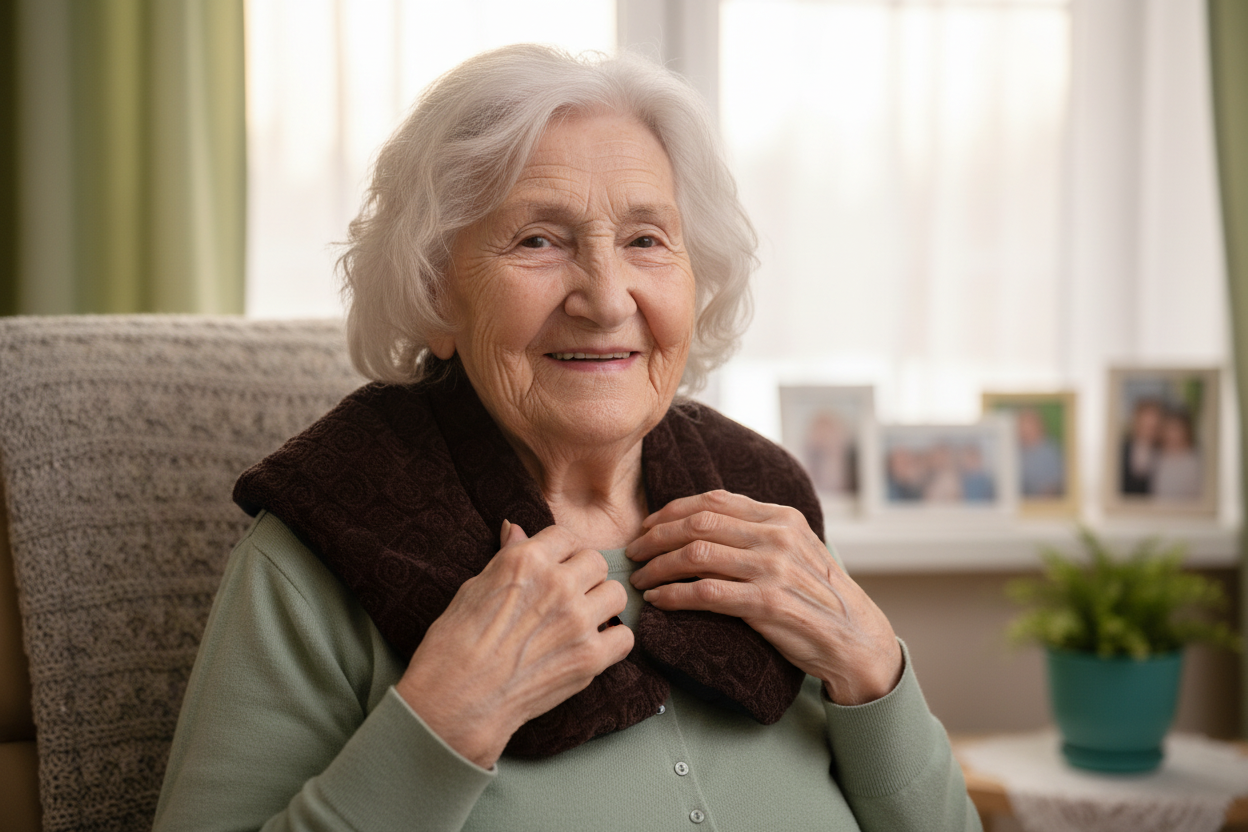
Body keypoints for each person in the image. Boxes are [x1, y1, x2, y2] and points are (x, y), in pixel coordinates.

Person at [153, 45, 978, 832]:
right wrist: (444, 717)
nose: (607, 299)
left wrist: (873, 666)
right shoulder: (324, 543)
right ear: (436, 291)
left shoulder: (766, 506)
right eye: (539, 240)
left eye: (646, 240)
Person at [1152, 408, 1202, 499]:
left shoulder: (1195, 461)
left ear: (1185, 431)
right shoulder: (1156, 457)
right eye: (1167, 428)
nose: (1171, 434)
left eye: (1175, 429)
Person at [1016, 407, 1065, 498]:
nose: (1024, 429)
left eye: (1029, 423)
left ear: (1039, 426)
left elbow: (1053, 487)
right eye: (1021, 424)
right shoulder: (1014, 451)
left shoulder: (1051, 451)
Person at [1120, 398, 1164, 495]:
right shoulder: (1120, 449)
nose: (1150, 428)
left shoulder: (1163, 453)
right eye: (1146, 424)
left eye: (1154, 425)